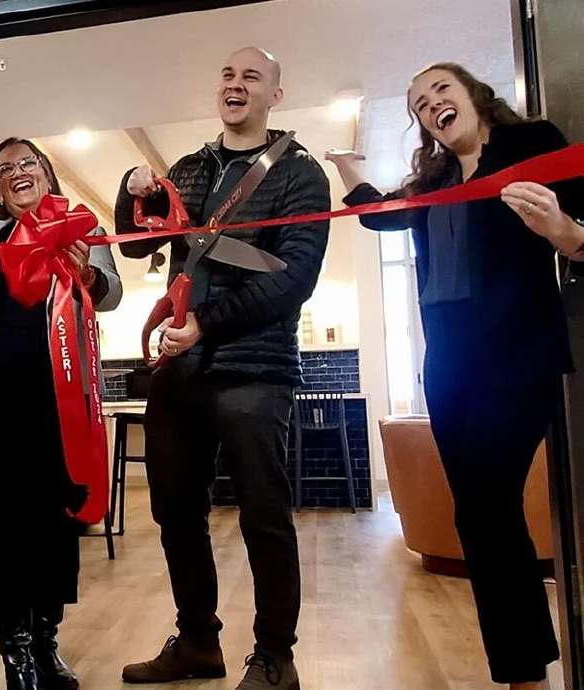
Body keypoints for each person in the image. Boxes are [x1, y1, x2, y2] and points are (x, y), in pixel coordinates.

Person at [327, 62, 584, 690]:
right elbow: (383, 215)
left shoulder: (534, 143)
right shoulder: (435, 179)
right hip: (448, 362)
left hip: (517, 352)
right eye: (418, 104)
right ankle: (525, 670)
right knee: (476, 512)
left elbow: (579, 231)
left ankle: (525, 673)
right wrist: (349, 169)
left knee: (490, 504)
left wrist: (564, 233)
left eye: (441, 90)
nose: (431, 104)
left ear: (472, 95)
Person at [115, 47, 329, 690]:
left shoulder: (301, 175)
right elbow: (141, 242)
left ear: (276, 95)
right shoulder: (189, 166)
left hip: (254, 370)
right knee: (174, 510)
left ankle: (275, 658)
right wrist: (132, 196)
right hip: (180, 373)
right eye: (228, 75)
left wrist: (207, 322)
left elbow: (296, 278)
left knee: (264, 513)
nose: (235, 86)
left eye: (251, 77)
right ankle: (198, 643)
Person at [0, 88, 122, 690]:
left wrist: (83, 266)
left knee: (52, 527)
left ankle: (45, 643)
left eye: (27, 164)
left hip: (57, 407)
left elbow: (110, 289)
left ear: (46, 173)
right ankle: (15, 654)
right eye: (5, 169)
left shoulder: (78, 225)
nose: (17, 173)